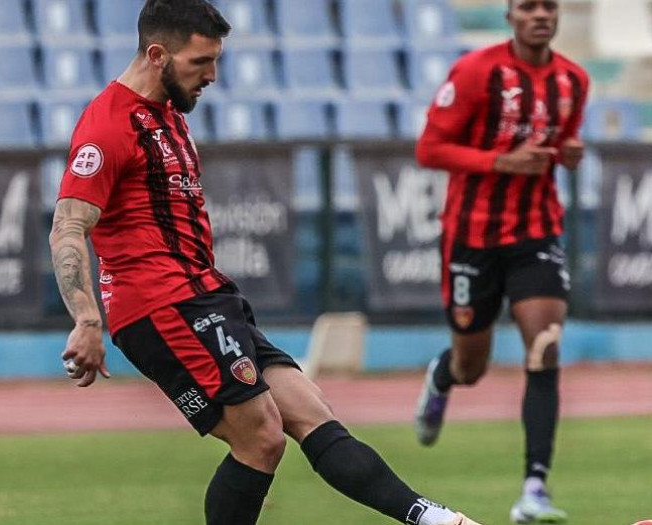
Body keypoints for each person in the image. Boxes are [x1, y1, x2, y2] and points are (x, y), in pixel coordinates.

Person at [50, 1, 484, 523]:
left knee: (312, 412)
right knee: (260, 439)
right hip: (158, 305)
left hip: (206, 293)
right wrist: (87, 319)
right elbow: (68, 226)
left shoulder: (166, 115)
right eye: (200, 62)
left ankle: (432, 517)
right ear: (157, 54)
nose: (212, 75)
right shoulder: (108, 124)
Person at [413, 0, 588, 522]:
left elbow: (561, 146)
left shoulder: (573, 81)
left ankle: (534, 489)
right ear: (509, 15)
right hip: (472, 236)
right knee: (472, 365)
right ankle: (442, 378)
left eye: (548, 6)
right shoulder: (474, 72)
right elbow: (429, 148)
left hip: (536, 232)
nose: (540, 15)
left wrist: (570, 153)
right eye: (528, 6)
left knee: (545, 346)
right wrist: (499, 161)